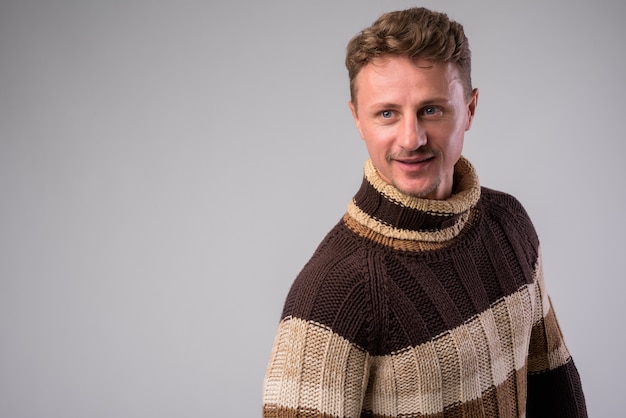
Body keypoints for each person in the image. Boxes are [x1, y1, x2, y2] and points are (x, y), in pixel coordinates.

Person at [262, 7, 587, 418]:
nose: (411, 138)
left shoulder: (509, 224)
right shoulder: (335, 292)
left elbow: (554, 386)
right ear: (358, 120)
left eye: (431, 109)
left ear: (469, 109)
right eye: (387, 113)